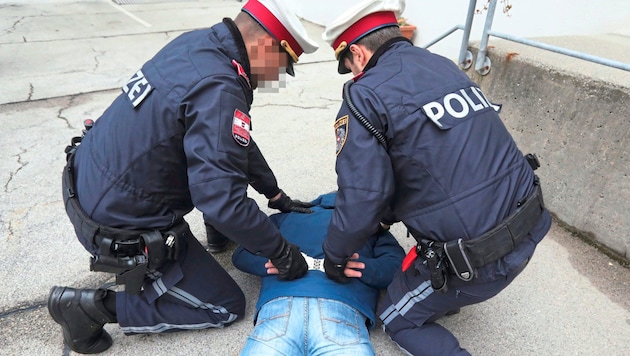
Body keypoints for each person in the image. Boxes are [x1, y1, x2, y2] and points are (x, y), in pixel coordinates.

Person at [48, 0, 319, 353]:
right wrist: (281, 252)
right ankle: (88, 309)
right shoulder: (220, 86)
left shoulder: (198, 44)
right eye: (282, 66)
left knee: (214, 172)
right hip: (116, 222)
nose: (277, 77)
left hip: (89, 182)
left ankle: (217, 236)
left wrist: (274, 193)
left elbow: (228, 143)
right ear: (265, 46)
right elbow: (220, 199)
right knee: (224, 306)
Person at [319, 0, 552, 355]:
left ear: (358, 54)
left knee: (398, 317)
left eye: (349, 66)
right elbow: (431, 157)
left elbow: (363, 194)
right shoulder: (441, 64)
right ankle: (447, 297)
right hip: (531, 225)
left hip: (482, 262)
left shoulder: (364, 94)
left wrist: (335, 255)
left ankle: (446, 296)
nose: (352, 74)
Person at [232, 192, 405, 355]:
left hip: (282, 302)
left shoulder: (284, 217)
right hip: (341, 304)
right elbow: (397, 267)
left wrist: (278, 261)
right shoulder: (370, 226)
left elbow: (242, 254)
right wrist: (359, 267)